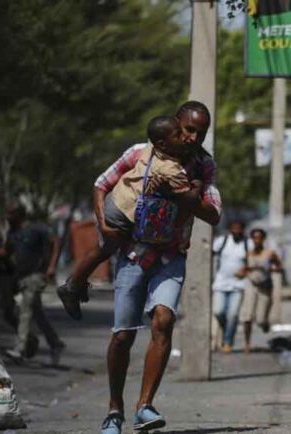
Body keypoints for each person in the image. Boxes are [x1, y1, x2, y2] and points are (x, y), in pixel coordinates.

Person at [94, 101, 221, 434]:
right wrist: (104, 226)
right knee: (122, 336)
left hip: (171, 254)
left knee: (163, 320)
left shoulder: (203, 166)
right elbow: (102, 184)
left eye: (201, 132)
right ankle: (114, 410)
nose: (193, 137)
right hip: (134, 253)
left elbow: (214, 212)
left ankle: (144, 407)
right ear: (175, 125)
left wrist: (189, 197)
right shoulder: (141, 153)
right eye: (188, 129)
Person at [57, 115, 194, 320]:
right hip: (122, 215)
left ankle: (76, 284)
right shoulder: (171, 169)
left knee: (104, 250)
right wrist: (197, 185)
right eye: (179, 134)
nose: (185, 137)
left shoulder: (150, 151)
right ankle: (73, 286)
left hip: (116, 202)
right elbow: (190, 198)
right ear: (163, 143)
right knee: (113, 248)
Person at [0, 204, 64, 366]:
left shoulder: (36, 228)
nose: (7, 217)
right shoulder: (13, 233)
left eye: (11, 214)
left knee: (25, 309)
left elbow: (56, 241)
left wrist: (52, 266)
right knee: (37, 313)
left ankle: (19, 350)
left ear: (20, 215)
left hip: (37, 275)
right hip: (21, 278)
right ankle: (55, 343)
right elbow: (6, 251)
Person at [238, 228, 281, 353]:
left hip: (265, 286)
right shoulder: (248, 253)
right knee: (247, 315)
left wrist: (273, 269)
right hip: (251, 284)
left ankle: (265, 323)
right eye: (254, 238)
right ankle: (247, 343)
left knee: (261, 319)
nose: (257, 240)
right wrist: (243, 271)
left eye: (259, 238)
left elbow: (278, 265)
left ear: (263, 239)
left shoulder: (270, 253)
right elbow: (244, 268)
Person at [211, 220, 250, 353]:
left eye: (239, 229)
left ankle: (227, 341)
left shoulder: (247, 244)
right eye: (234, 228)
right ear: (230, 230)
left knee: (233, 314)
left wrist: (245, 269)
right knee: (218, 311)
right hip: (220, 283)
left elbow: (254, 260)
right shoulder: (222, 241)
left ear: (243, 230)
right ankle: (227, 328)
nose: (236, 231)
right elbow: (209, 253)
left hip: (238, 285)